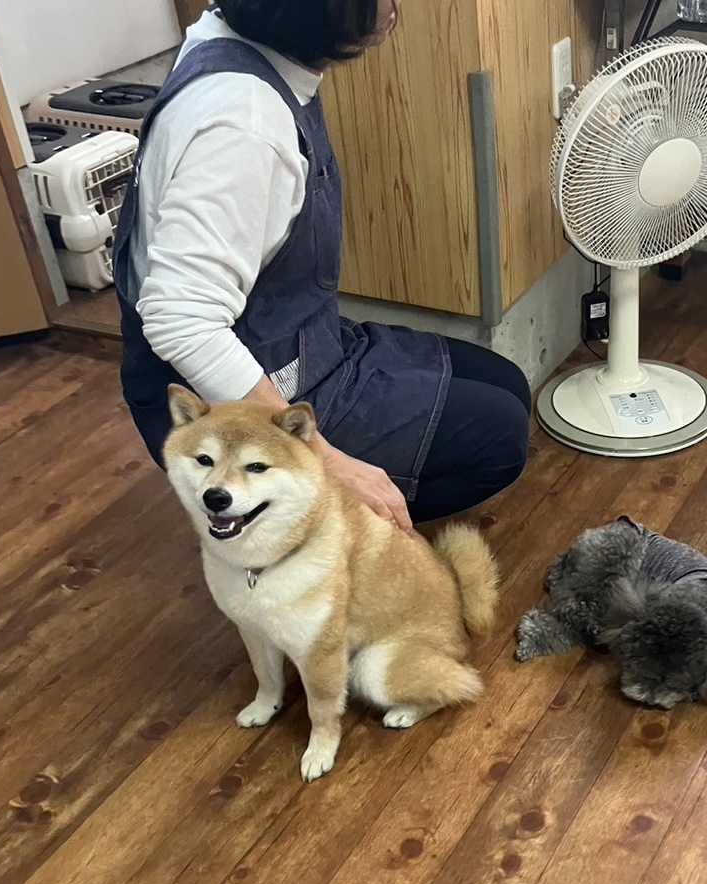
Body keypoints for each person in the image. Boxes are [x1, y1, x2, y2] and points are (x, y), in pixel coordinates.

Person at [114, 0, 531, 532]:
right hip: (233, 400)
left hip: (299, 343)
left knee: (508, 385)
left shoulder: (228, 38)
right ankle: (299, 529)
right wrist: (324, 463)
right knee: (499, 440)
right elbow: (181, 321)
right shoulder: (243, 125)